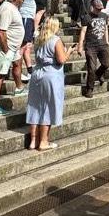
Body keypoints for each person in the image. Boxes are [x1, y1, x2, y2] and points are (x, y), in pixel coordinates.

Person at [27, 17, 73, 150]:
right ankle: (44, 142)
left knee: (35, 106)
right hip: (51, 75)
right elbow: (61, 59)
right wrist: (69, 51)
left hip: (37, 74)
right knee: (48, 107)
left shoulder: (39, 40)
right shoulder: (55, 40)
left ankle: (33, 141)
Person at [0, 0, 27, 116]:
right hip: (4, 48)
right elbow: (1, 32)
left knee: (17, 63)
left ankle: (19, 88)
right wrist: (6, 50)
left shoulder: (12, 8)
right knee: (0, 75)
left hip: (13, 47)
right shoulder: (7, 9)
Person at [76, 0, 109, 98]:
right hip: (91, 46)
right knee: (91, 68)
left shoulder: (104, 16)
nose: (99, 10)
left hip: (103, 44)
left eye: (100, 8)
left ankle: (99, 74)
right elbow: (83, 32)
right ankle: (89, 89)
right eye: (97, 8)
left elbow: (106, 29)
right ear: (92, 7)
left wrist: (107, 42)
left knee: (106, 64)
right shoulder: (87, 17)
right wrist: (80, 46)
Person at [17, 0, 38, 81]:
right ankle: (17, 70)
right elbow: (19, 1)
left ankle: (28, 71)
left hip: (28, 18)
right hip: (25, 17)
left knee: (26, 45)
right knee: (22, 45)